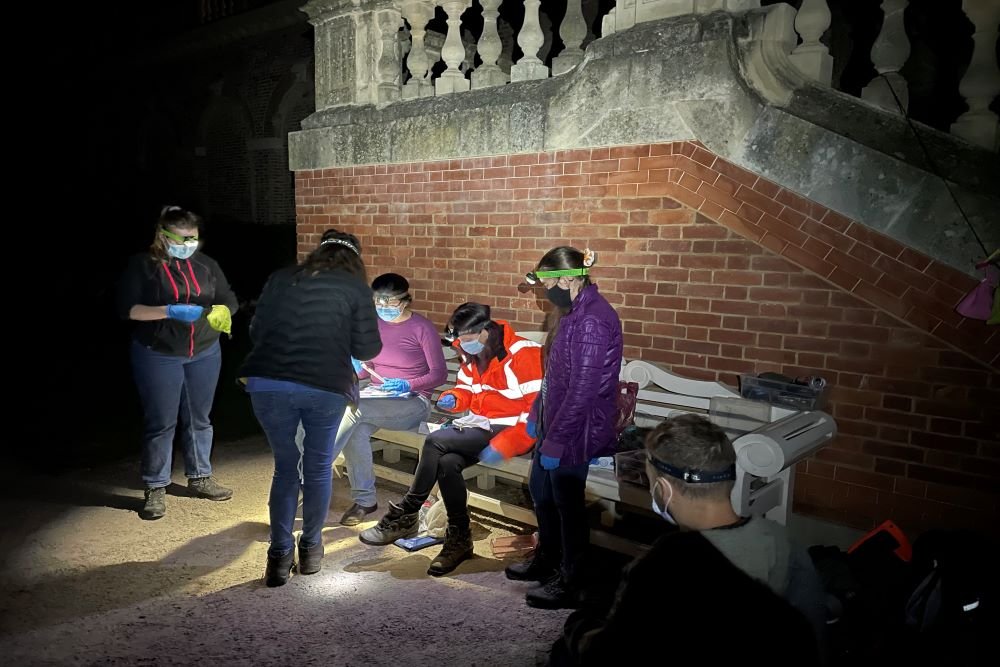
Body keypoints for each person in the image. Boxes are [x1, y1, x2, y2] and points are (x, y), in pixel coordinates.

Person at [239, 229, 381, 587]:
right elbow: (367, 350)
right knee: (317, 467)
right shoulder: (355, 288)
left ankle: (278, 556)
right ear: (355, 260)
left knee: (285, 467)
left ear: (319, 253)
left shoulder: (281, 277)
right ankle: (312, 550)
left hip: (267, 382)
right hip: (324, 387)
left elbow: (256, 330)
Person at [359, 303, 543, 577]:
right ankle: (460, 540)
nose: (462, 346)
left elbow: (536, 412)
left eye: (466, 340)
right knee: (447, 462)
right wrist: (455, 399)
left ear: (485, 331)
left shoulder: (524, 353)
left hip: (515, 431)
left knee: (435, 442)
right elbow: (467, 390)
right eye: (458, 340)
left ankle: (407, 512)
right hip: (481, 426)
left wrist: (508, 444)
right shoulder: (472, 352)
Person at [643, 414, 829, 648]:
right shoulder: (784, 541)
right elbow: (813, 639)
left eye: (649, 479)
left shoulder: (668, 564)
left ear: (662, 488)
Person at [506, 247, 623, 610]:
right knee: (541, 492)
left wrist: (556, 438)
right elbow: (557, 377)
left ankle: (572, 580)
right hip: (554, 420)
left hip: (576, 426)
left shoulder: (592, 319)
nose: (544, 291)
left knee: (567, 504)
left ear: (569, 278)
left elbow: (584, 389)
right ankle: (548, 560)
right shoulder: (571, 312)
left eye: (547, 282)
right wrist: (538, 414)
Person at [118, 205, 238, 521]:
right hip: (158, 352)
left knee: (200, 418)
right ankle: (156, 486)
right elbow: (128, 309)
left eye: (194, 239)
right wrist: (168, 311)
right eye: (183, 239)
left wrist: (224, 312)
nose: (189, 245)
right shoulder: (143, 266)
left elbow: (228, 297)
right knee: (161, 421)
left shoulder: (206, 264)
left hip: (204, 349)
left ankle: (200, 476)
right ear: (164, 235)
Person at [297, 273, 448, 526]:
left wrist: (407, 384)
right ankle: (365, 500)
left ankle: (309, 475)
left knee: (354, 410)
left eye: (390, 302)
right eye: (378, 302)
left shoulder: (421, 328)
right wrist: (355, 368)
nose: (383, 308)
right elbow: (367, 371)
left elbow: (439, 374)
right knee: (350, 424)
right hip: (376, 398)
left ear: (405, 300)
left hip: (412, 402)